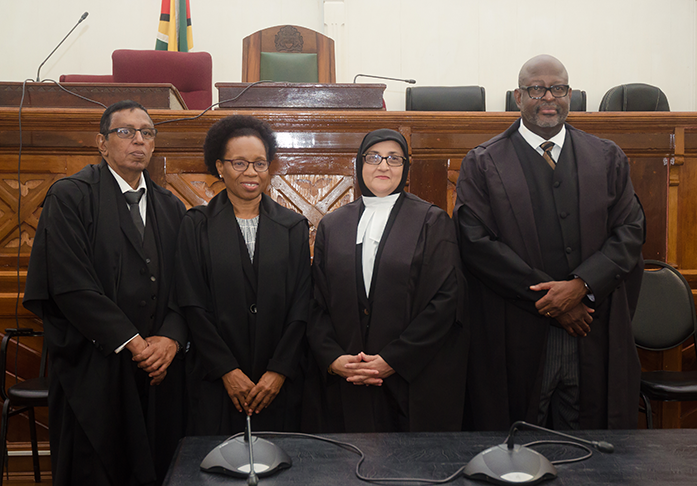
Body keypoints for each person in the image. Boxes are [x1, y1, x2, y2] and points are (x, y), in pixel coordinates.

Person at [454, 55, 645, 431]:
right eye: (536, 89)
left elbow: (630, 230)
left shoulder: (607, 157)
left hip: (592, 328)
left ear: (569, 94)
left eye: (558, 88)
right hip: (518, 332)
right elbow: (476, 244)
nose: (548, 98)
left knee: (591, 448)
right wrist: (551, 302)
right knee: (519, 446)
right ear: (517, 96)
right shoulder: (483, 163)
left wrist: (581, 286)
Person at [23, 100, 187, 485]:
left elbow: (188, 284)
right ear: (102, 143)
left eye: (147, 133)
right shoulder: (70, 196)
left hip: (158, 370)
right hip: (93, 367)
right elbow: (69, 283)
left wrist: (171, 338)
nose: (138, 141)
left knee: (159, 465)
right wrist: (132, 342)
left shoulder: (170, 206)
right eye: (125, 132)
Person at [304, 129, 469, 433]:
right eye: (373, 157)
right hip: (347, 379)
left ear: (405, 169)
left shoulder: (431, 221)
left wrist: (393, 359)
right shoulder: (333, 225)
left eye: (394, 158)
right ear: (359, 164)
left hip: (411, 380)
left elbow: (446, 300)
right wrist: (334, 358)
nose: (383, 166)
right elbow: (316, 302)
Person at [174, 115, 310, 435]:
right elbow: (192, 304)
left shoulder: (293, 227)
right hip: (216, 383)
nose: (251, 172)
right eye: (239, 162)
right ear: (219, 167)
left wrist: (278, 371)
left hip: (279, 385)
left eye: (260, 163)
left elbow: (302, 306)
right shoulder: (196, 225)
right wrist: (227, 370)